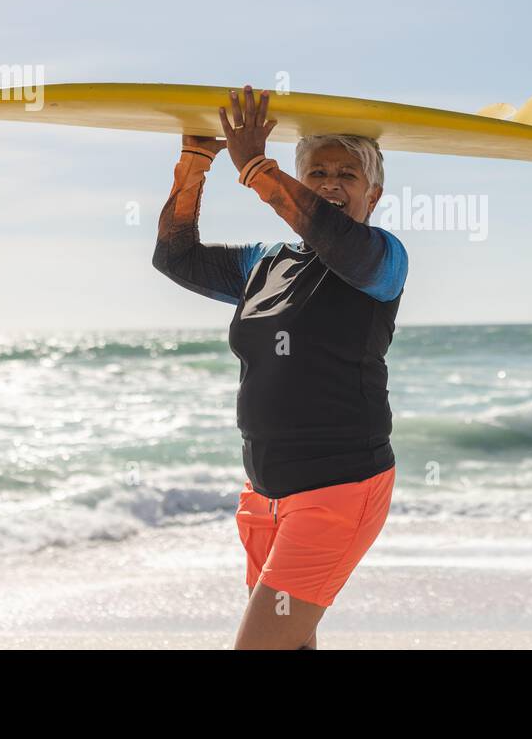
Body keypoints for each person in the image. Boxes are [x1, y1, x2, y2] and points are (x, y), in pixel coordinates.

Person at [153, 85, 408, 649]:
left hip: (340, 488)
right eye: (318, 173)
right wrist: (196, 161)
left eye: (348, 175)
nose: (332, 184)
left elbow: (332, 238)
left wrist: (258, 169)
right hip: (264, 492)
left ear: (375, 193)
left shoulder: (382, 259)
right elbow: (175, 257)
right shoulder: (265, 264)